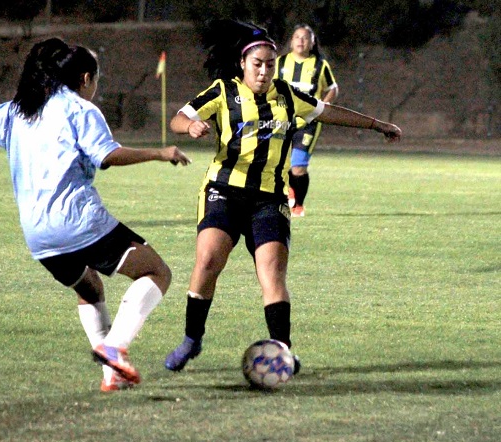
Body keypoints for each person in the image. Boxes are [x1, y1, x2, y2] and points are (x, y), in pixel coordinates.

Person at [0, 37, 192, 392]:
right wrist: (160, 153)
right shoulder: (80, 110)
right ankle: (114, 347)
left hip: (39, 236)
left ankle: (112, 375)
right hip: (78, 221)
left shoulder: (18, 110)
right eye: (96, 79)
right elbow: (107, 155)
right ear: (85, 78)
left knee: (89, 287)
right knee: (156, 271)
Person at [164, 20, 401, 373]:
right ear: (243, 63)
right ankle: (191, 339)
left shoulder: (288, 95)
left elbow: (328, 112)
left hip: (269, 198)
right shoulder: (223, 91)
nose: (263, 71)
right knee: (209, 260)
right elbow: (179, 118)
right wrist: (191, 126)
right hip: (224, 191)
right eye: (257, 64)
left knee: (272, 273)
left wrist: (376, 124)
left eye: (269, 65)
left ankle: (282, 350)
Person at [275, 24, 339, 217]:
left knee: (298, 166)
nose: (301, 41)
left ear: (312, 43)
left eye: (305, 38)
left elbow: (333, 88)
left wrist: (324, 106)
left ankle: (298, 205)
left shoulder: (320, 65)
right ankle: (287, 193)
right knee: (280, 164)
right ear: (291, 41)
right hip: (282, 121)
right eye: (297, 37)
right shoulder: (280, 63)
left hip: (308, 123)